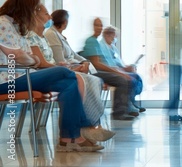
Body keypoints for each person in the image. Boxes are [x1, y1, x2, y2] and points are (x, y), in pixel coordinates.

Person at [0, 0, 103, 152]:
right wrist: (32, 59)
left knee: (69, 84)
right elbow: (17, 56)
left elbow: (27, 57)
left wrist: (30, 58)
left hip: (23, 75)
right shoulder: (3, 23)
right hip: (8, 80)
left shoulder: (17, 27)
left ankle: (68, 139)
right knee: (65, 72)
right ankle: (84, 125)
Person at [28, 4, 114, 142]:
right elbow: (43, 63)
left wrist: (83, 63)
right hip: (44, 74)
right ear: (35, 16)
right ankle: (87, 127)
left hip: (54, 71)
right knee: (81, 80)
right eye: (46, 14)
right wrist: (70, 68)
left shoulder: (43, 37)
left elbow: (62, 58)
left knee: (89, 80)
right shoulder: (35, 36)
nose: (50, 17)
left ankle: (90, 126)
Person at [80, 18, 137, 120]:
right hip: (94, 72)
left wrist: (121, 71)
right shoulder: (91, 41)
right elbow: (97, 64)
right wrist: (117, 72)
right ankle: (119, 113)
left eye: (101, 25)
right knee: (121, 79)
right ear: (93, 27)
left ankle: (126, 108)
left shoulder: (96, 42)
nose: (99, 28)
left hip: (98, 71)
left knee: (125, 78)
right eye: (97, 25)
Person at [99, 26, 145, 113]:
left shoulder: (113, 48)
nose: (115, 38)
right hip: (109, 72)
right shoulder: (101, 46)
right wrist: (122, 71)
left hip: (119, 70)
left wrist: (128, 68)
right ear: (107, 35)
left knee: (138, 77)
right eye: (114, 36)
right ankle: (128, 105)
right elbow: (108, 65)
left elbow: (119, 63)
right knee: (131, 79)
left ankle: (130, 102)